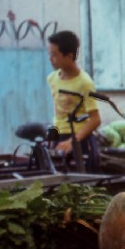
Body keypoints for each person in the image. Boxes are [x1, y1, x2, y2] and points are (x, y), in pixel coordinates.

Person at [46, 30, 102, 170]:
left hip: (79, 140)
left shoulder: (84, 83)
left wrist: (73, 141)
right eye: (49, 54)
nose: (50, 58)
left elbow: (95, 119)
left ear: (69, 56)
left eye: (54, 55)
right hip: (58, 138)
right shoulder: (52, 78)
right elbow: (58, 114)